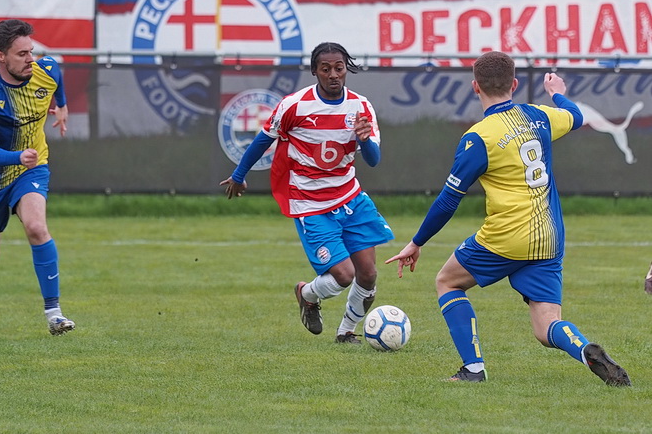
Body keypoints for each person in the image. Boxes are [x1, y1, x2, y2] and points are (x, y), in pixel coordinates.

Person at [386, 51, 631, 386]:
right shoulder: (539, 117)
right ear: (514, 84)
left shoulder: (479, 137)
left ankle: (473, 370)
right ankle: (584, 347)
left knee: (447, 282)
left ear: (476, 87)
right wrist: (556, 91)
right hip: (548, 236)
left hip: (506, 236)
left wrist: (416, 243)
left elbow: (447, 201)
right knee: (546, 328)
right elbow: (574, 115)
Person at [220, 42, 394, 343]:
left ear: (346, 69)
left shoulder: (360, 107)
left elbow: (374, 160)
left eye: (338, 68)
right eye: (325, 69)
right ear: (315, 71)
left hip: (350, 198)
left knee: (368, 275)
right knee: (344, 274)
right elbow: (263, 140)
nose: (333, 75)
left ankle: (345, 333)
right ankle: (307, 294)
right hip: (310, 204)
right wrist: (239, 175)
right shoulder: (295, 105)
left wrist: (364, 139)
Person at [0, 19, 75, 340]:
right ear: (0, 57)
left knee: (37, 227)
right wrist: (17, 156)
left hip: (31, 168)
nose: (31, 59)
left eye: (32, 51)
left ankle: (54, 313)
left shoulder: (45, 69)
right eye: (22, 54)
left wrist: (62, 106)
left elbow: (56, 77)